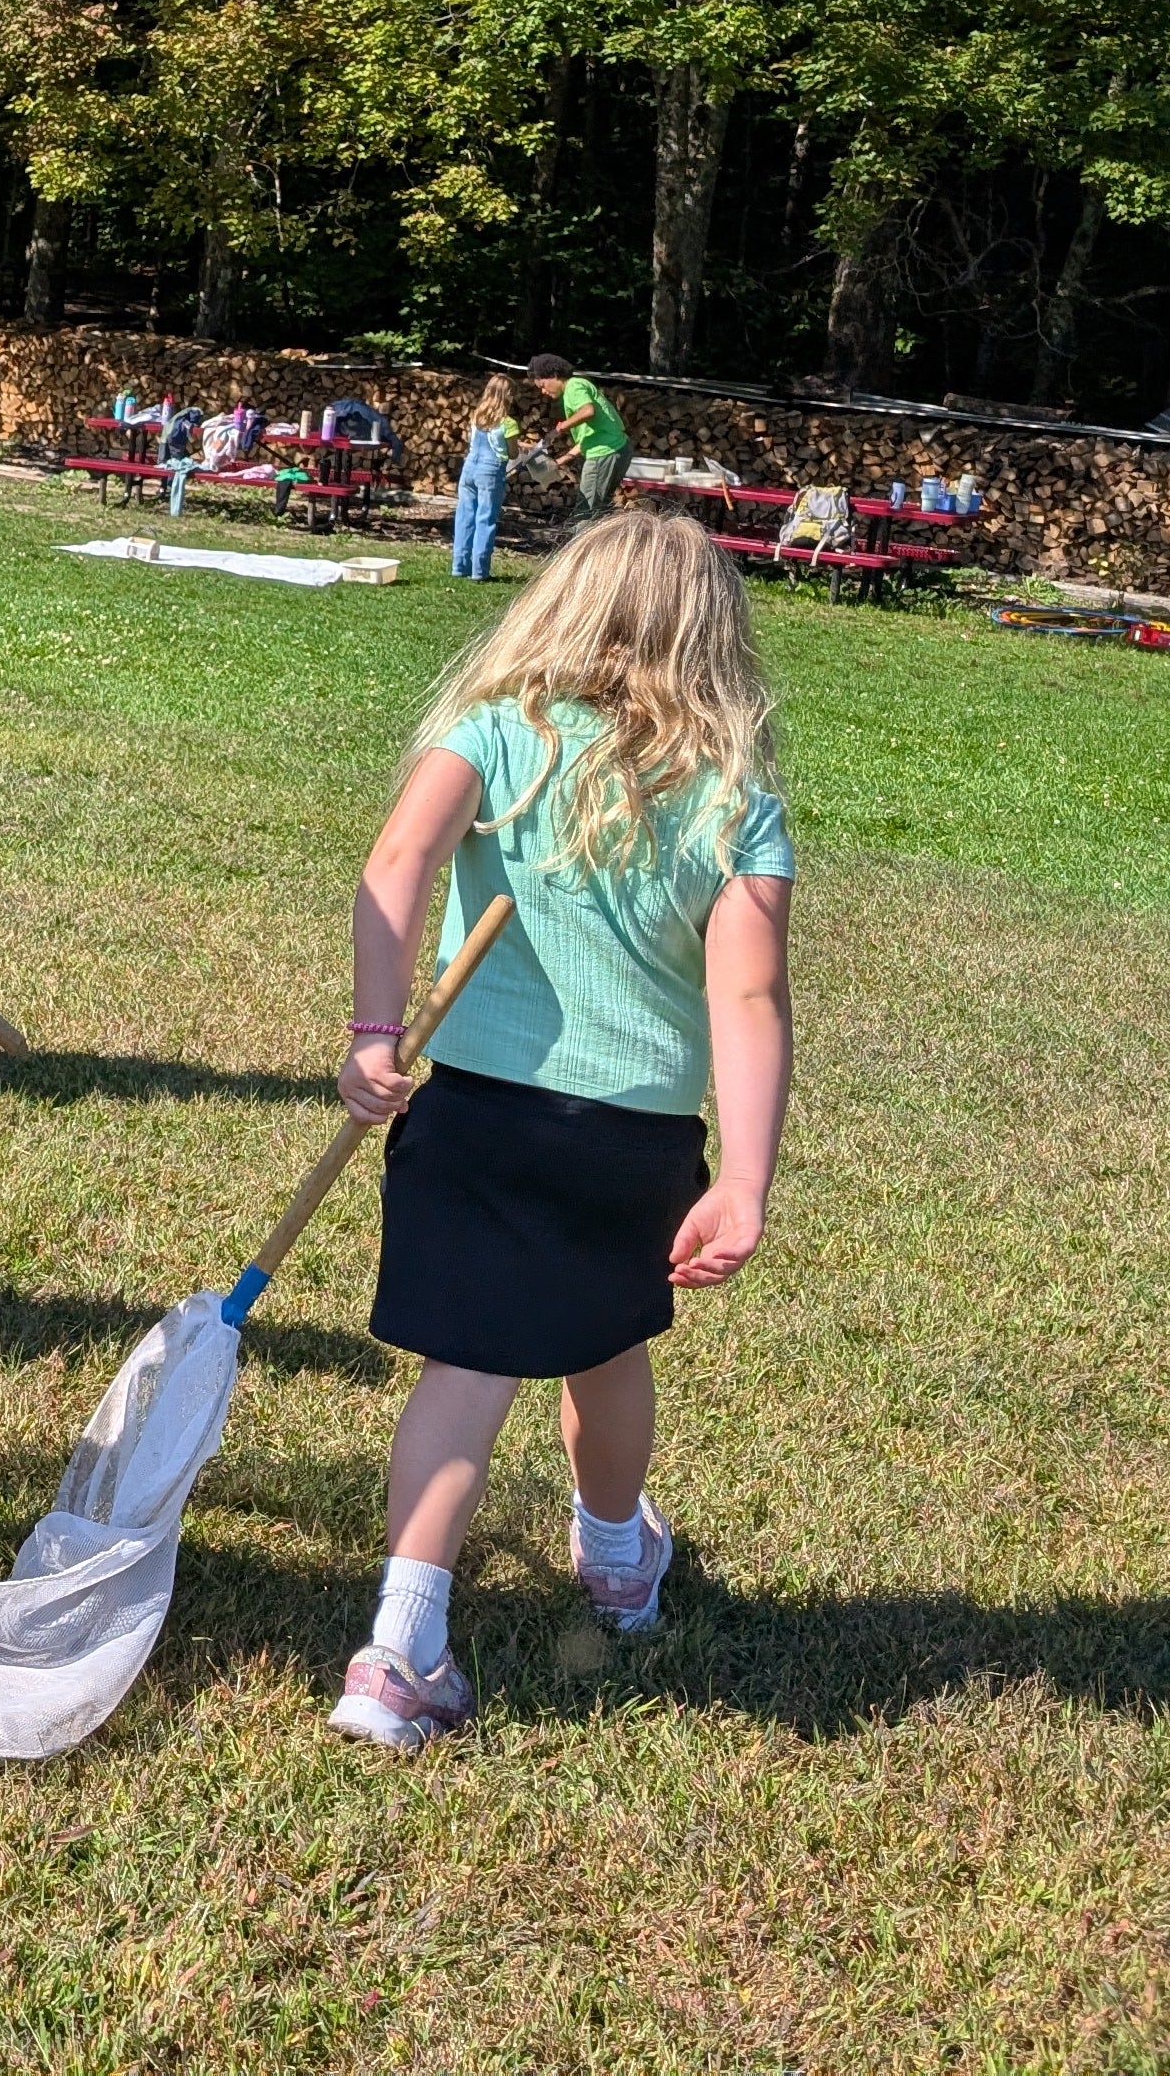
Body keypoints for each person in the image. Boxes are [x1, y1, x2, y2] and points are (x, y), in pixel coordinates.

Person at [324, 505, 794, 1750]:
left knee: (467, 1367)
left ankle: (400, 1647)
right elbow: (747, 994)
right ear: (715, 635)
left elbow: (392, 865)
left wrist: (378, 1030)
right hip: (629, 1137)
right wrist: (742, 1175)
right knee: (604, 1344)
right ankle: (615, 1562)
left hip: (477, 1113)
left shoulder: (491, 736)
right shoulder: (737, 796)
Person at [531, 352, 631, 521]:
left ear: (554, 375)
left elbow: (588, 411)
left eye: (542, 385)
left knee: (585, 512)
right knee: (600, 509)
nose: (542, 391)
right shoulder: (576, 388)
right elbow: (589, 437)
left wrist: (559, 429)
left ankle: (578, 545)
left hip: (603, 453)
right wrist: (559, 462)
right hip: (615, 448)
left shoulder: (574, 386)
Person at [451, 374, 517, 582]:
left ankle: (459, 566)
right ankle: (480, 571)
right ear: (508, 396)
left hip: (470, 468)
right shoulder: (508, 423)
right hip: (490, 472)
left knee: (464, 516)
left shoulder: (477, 416)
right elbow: (513, 453)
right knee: (485, 519)